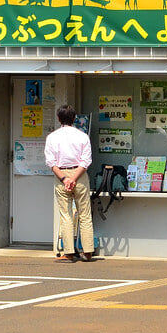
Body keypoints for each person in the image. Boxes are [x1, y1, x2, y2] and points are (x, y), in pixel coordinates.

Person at [44, 104, 95, 262]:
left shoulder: (52, 137)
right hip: (80, 175)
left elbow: (51, 162)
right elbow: (86, 161)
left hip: (61, 176)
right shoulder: (82, 136)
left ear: (59, 118)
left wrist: (65, 179)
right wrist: (74, 178)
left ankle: (69, 253)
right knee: (85, 215)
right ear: (74, 118)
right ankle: (88, 252)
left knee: (65, 215)